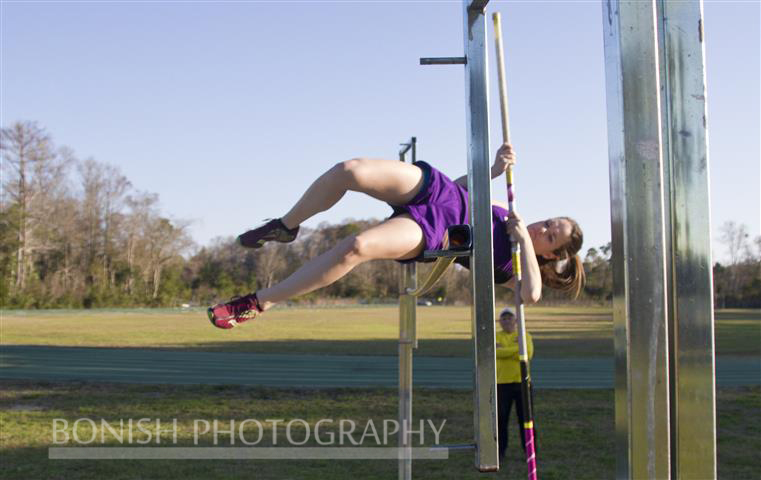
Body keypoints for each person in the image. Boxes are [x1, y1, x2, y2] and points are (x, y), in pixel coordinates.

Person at [208, 144, 585, 328]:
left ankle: (260, 302)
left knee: (356, 247)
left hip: (437, 231)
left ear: (552, 255)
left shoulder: (516, 263)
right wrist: (492, 171)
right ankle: (287, 225)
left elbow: (529, 296)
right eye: (549, 222)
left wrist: (520, 240)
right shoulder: (509, 212)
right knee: (349, 170)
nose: (543, 228)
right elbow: (463, 190)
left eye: (551, 236)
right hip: (442, 192)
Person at [495, 306, 535, 463]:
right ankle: (499, 452)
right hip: (502, 384)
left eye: (509, 318)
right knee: (501, 420)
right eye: (503, 319)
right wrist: (516, 350)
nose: (506, 321)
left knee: (526, 420)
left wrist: (504, 350)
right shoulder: (495, 336)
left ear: (516, 320)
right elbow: (495, 352)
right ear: (499, 322)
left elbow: (527, 354)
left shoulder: (524, 335)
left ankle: (530, 451)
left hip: (522, 384)